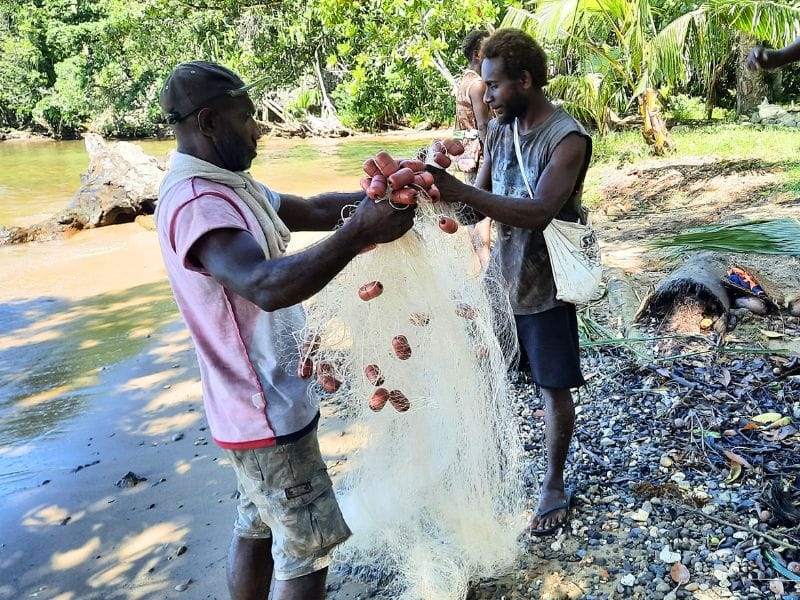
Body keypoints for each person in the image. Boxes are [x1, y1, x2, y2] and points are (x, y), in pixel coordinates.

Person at [155, 61, 415, 600]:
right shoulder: (199, 203)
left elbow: (315, 208)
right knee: (307, 549)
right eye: (247, 117)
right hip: (263, 410)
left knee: (257, 522)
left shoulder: (229, 185)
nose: (258, 128)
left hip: (247, 410)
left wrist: (378, 198)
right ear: (208, 121)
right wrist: (359, 234)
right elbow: (264, 285)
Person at [427, 29, 592, 536]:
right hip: (500, 282)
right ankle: (486, 463)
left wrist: (461, 192)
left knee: (552, 387)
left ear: (526, 80)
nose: (487, 95)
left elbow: (540, 212)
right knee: (485, 375)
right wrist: (428, 187)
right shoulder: (499, 133)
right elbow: (475, 205)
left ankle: (554, 482)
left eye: (495, 85)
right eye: (484, 84)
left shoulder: (567, 139)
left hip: (545, 288)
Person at [455, 29, 492, 185]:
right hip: (480, 157)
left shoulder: (465, 81)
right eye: (489, 51)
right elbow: (483, 124)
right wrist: (492, 157)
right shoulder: (477, 85)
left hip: (467, 155)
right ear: (477, 55)